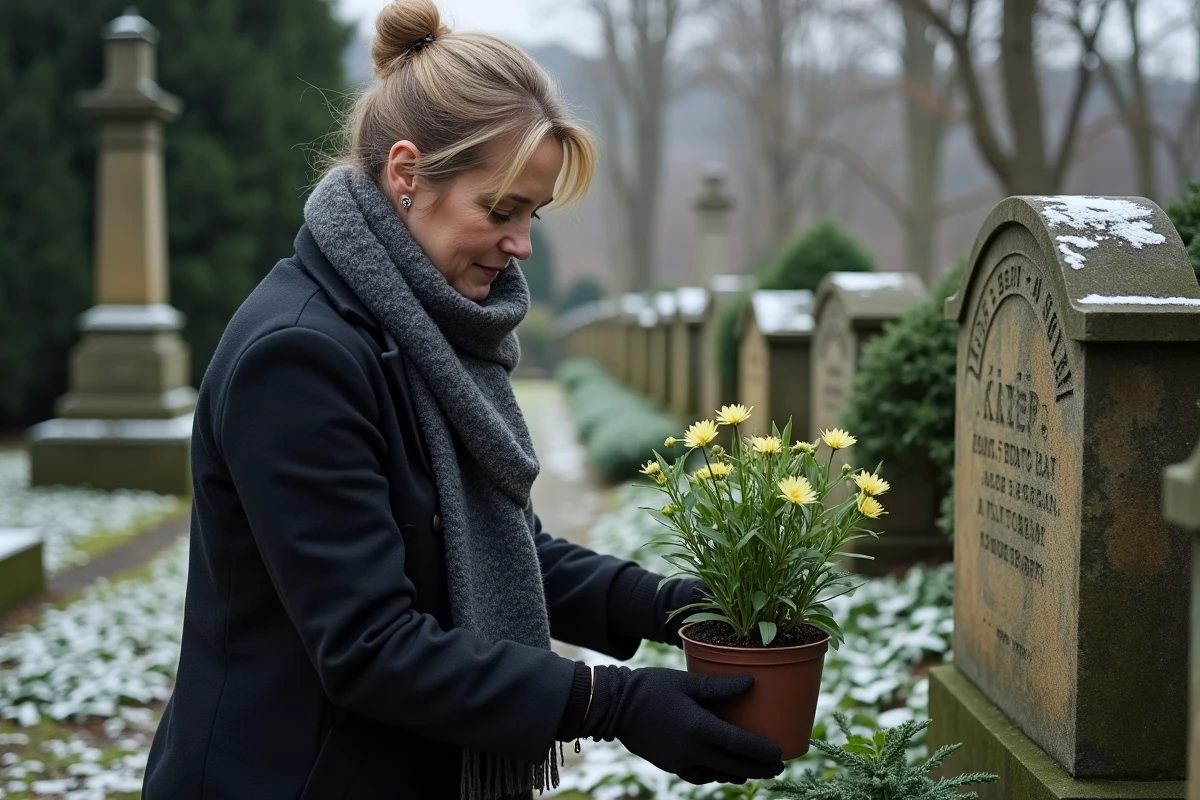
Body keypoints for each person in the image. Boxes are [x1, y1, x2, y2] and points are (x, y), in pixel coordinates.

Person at [142, 1, 784, 798]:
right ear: (407, 175)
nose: (522, 245)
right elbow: (370, 646)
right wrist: (607, 702)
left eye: (532, 215)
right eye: (501, 210)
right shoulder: (300, 357)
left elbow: (493, 553)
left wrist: (670, 606)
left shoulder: (426, 328)